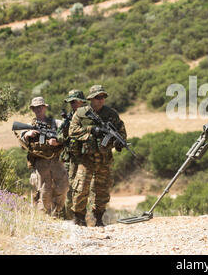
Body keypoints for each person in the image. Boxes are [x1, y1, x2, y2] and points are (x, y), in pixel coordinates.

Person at [69, 85, 127, 226]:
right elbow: (73, 131)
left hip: (104, 158)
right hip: (86, 158)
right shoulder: (81, 113)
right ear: (91, 99)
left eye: (103, 97)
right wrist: (91, 130)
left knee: (102, 189)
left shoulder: (111, 114)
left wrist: (119, 142)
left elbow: (121, 132)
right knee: (81, 188)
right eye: (97, 97)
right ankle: (79, 218)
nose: (101, 100)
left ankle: (99, 218)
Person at [18, 97, 69, 217]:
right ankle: (45, 218)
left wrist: (58, 142)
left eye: (41, 107)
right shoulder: (30, 125)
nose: (39, 109)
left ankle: (58, 213)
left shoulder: (56, 123)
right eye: (36, 107)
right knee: (44, 192)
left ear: (45, 108)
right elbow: (21, 142)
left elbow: (67, 135)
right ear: (32, 109)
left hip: (56, 161)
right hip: (40, 163)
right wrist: (27, 135)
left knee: (62, 188)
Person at [56, 90, 87, 220]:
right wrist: (64, 131)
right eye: (71, 102)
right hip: (71, 158)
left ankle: (82, 217)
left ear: (81, 102)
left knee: (84, 189)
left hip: (86, 158)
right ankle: (71, 218)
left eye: (74, 101)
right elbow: (59, 137)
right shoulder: (68, 118)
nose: (73, 104)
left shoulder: (88, 116)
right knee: (69, 189)